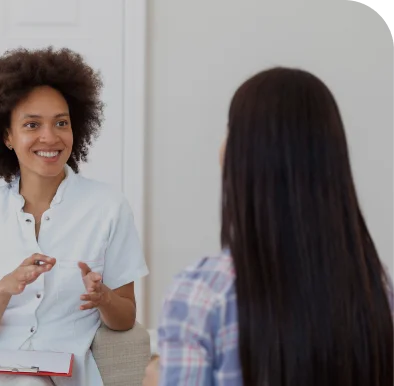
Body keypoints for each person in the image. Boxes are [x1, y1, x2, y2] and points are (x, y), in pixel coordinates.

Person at [146, 67, 394, 386]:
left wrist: (155, 379)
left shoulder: (203, 293)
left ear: (242, 157)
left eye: (230, 130)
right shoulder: (373, 286)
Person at [0, 47, 149, 386]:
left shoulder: (108, 207)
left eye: (61, 123)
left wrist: (103, 298)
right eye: (31, 124)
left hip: (54, 373)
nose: (49, 137)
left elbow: (125, 317)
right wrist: (3, 290)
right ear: (7, 136)